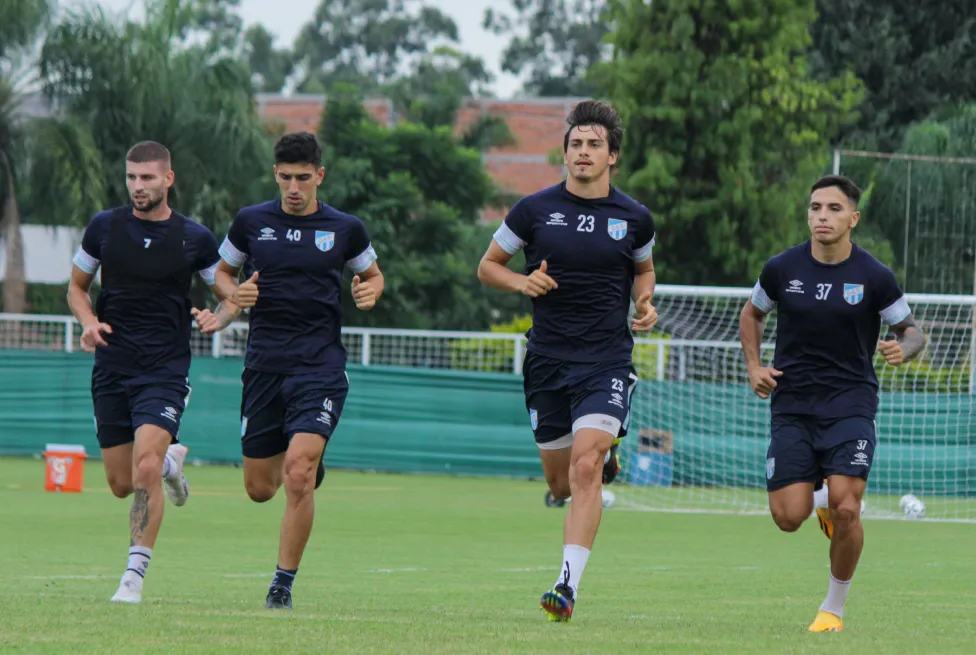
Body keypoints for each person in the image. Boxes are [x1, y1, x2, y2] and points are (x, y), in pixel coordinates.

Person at [477, 100, 658, 622]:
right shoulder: (533, 210)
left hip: (606, 361)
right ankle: (605, 458)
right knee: (562, 483)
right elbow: (489, 267)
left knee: (584, 468)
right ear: (565, 152)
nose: (583, 152)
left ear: (613, 156)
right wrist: (521, 281)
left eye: (594, 144)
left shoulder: (634, 218)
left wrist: (644, 302)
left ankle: (566, 586)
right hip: (547, 362)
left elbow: (643, 272)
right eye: (576, 144)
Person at [738, 174, 926, 632]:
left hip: (851, 405)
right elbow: (751, 314)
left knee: (848, 507)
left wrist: (907, 348)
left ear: (853, 219)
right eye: (815, 207)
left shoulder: (874, 276)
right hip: (793, 405)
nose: (822, 216)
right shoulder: (781, 269)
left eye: (834, 209)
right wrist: (754, 366)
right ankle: (818, 499)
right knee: (788, 517)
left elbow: (914, 330)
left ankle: (832, 609)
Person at [213, 131, 385, 610]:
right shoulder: (251, 222)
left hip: (321, 367)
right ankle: (306, 464)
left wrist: (370, 291)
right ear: (275, 174)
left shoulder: (345, 228)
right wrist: (232, 293)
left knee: (298, 472)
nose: (293, 187)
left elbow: (373, 274)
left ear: (319, 176)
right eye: (286, 177)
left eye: (303, 178)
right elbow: (223, 273)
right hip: (265, 366)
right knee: (260, 488)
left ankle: (281, 585)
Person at [67, 141, 239, 604]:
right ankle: (169, 463)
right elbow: (76, 288)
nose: (137, 187)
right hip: (112, 366)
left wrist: (218, 317)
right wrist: (88, 322)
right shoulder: (103, 227)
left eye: (147, 178)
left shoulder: (195, 238)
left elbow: (227, 293)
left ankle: (132, 578)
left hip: (163, 369)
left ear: (168, 179)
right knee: (123, 483)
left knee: (142, 466)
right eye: (131, 178)